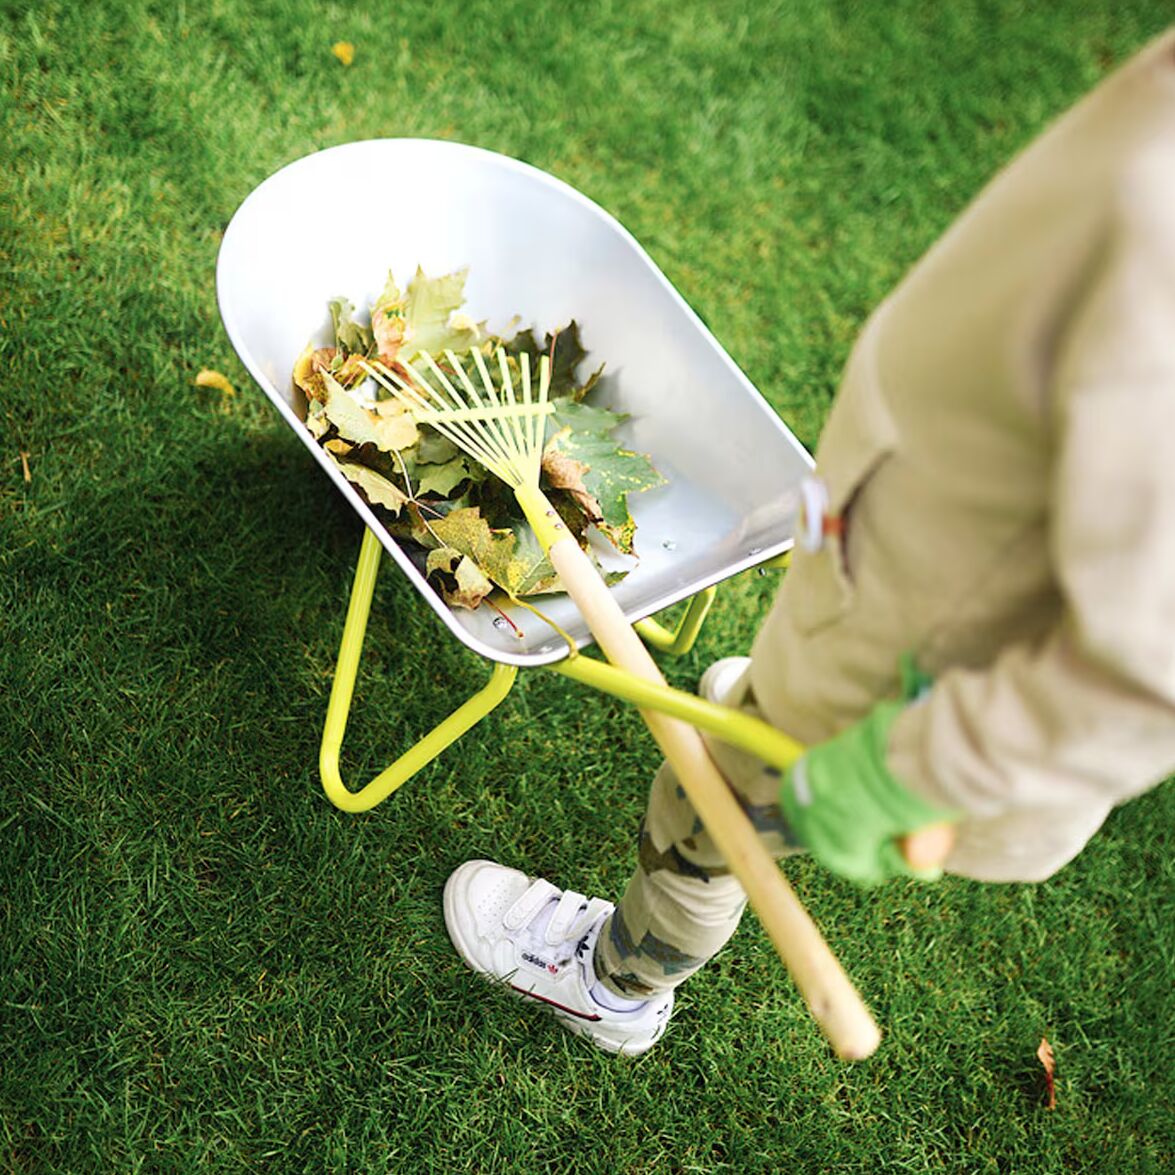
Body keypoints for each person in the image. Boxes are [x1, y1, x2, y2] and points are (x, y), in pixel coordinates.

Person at [443, 27, 1175, 1055]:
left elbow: (1151, 660)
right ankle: (783, 698)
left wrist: (911, 765)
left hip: (919, 665)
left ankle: (612, 983)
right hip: (910, 556)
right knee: (751, 721)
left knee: (704, 811)